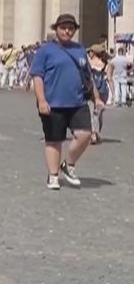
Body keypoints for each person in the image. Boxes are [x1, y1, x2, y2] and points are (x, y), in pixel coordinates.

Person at [29, 15, 99, 189]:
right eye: (63, 27)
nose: (67, 31)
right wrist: (41, 99)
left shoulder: (80, 50)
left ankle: (68, 163)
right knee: (54, 140)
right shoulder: (45, 50)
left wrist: (96, 98)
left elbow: (87, 76)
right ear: (56, 29)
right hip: (53, 103)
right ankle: (53, 175)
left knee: (85, 134)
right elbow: (37, 76)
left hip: (77, 102)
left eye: (70, 28)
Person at [88, 45, 112, 143]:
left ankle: (94, 133)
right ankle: (96, 133)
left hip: (91, 89)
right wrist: (113, 93)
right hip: (103, 90)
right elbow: (109, 78)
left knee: (91, 112)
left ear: (93, 52)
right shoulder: (107, 64)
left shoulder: (89, 63)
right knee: (98, 113)